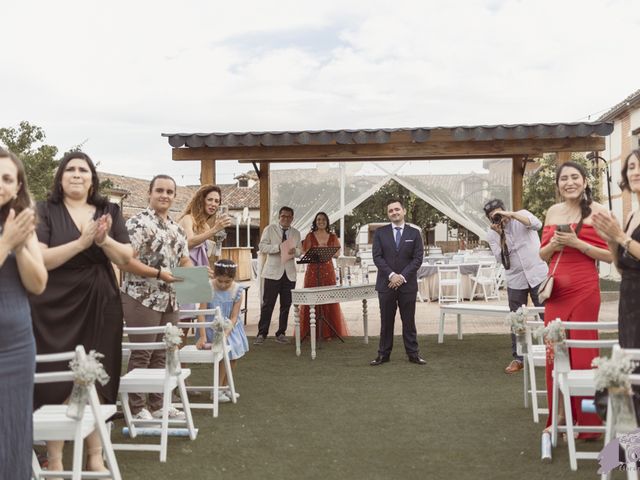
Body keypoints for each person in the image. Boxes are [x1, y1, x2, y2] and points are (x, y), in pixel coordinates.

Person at [29, 151, 132, 473]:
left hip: (101, 301)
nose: (76, 174)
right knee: (58, 377)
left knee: (97, 373)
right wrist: (80, 243)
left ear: (92, 178)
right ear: (60, 178)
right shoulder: (45, 211)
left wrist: (102, 241)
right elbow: (40, 259)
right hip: (54, 305)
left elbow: (126, 256)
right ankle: (56, 457)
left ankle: (95, 454)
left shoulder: (108, 210)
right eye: (69, 169)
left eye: (82, 170)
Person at [539, 161, 612, 437]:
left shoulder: (599, 211)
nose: (569, 182)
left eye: (574, 177)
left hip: (584, 289)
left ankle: (590, 421)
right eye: (564, 178)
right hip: (555, 292)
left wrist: (579, 245)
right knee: (554, 351)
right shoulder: (552, 211)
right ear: (557, 184)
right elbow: (541, 256)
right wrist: (553, 245)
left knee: (582, 353)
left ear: (584, 181)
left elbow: (612, 256)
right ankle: (558, 414)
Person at [119, 174, 192, 421]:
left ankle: (159, 404)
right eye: (159, 190)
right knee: (143, 352)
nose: (164, 195)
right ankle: (136, 407)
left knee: (163, 351)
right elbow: (125, 261)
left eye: (169, 192)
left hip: (171, 298)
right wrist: (159, 273)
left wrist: (196, 277)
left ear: (175, 196)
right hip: (142, 297)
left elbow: (184, 260)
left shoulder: (177, 228)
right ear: (149, 193)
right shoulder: (137, 224)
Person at [0, 148, 47, 479]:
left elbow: (38, 283)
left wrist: (17, 244)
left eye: (6, 178)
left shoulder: (22, 224)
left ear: (17, 186)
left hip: (16, 348)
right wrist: (6, 243)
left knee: (14, 432)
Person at [593, 149, 640, 420]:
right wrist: (610, 239)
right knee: (632, 370)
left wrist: (620, 236)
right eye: (631, 167)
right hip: (630, 301)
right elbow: (622, 266)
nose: (635, 171)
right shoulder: (633, 214)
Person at [483, 198, 548, 374]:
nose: (498, 218)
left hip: (538, 274)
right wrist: (500, 235)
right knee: (517, 319)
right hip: (515, 279)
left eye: (499, 213)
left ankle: (555, 352)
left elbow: (537, 224)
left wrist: (511, 215)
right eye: (493, 217)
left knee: (547, 313)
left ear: (505, 210)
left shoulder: (522, 216)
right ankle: (519, 358)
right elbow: (501, 259)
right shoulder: (492, 234)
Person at [370, 199, 425, 366]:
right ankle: (383, 354)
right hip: (386, 284)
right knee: (386, 321)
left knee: (409, 321)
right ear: (388, 214)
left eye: (397, 209)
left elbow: (418, 259)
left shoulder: (414, 233)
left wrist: (401, 277)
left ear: (404, 211)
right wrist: (392, 275)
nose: (394, 212)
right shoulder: (380, 233)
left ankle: (413, 354)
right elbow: (377, 257)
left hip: (407, 285)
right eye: (390, 211)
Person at [195, 259, 248, 402]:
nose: (223, 285)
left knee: (234, 355)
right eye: (220, 281)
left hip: (229, 326)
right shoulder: (208, 287)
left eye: (227, 282)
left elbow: (234, 316)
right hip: (210, 327)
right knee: (225, 354)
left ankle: (225, 387)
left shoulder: (237, 290)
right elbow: (201, 311)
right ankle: (217, 389)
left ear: (233, 279)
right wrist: (202, 335)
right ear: (214, 277)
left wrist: (225, 333)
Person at [254, 206, 301, 345]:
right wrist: (278, 247)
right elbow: (262, 247)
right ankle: (262, 333)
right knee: (267, 304)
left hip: (289, 273)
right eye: (283, 216)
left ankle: (281, 333)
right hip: (272, 273)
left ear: (292, 218)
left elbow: (300, 250)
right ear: (279, 217)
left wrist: (295, 251)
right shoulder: (269, 229)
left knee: (286, 305)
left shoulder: (296, 233)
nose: (285, 219)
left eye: (288, 216)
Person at [299, 212, 348, 340]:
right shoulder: (310, 236)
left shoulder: (332, 236)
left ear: (327, 222)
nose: (321, 221)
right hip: (313, 271)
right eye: (318, 219)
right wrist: (315, 251)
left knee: (328, 297)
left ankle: (328, 332)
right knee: (312, 298)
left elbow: (337, 253)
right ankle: (311, 331)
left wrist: (327, 249)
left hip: (327, 270)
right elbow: (304, 252)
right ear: (315, 221)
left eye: (323, 219)